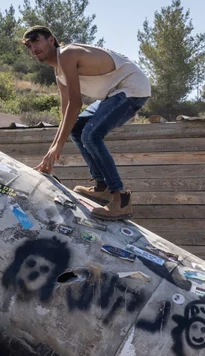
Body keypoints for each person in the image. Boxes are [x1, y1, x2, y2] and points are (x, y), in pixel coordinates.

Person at [22, 26, 151, 219]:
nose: (33, 48)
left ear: (51, 40)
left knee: (91, 135)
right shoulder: (59, 73)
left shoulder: (66, 54)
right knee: (77, 128)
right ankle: (102, 186)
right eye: (29, 46)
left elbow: (76, 103)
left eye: (37, 41)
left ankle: (120, 199)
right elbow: (66, 113)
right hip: (113, 94)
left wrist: (57, 147)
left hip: (132, 88)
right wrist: (51, 152)